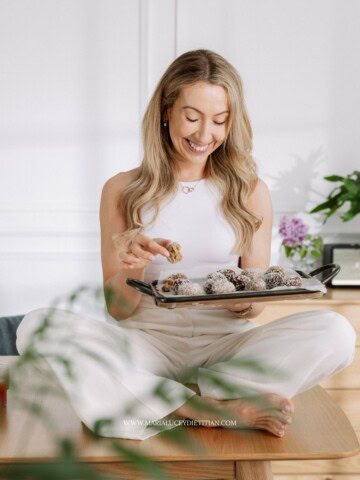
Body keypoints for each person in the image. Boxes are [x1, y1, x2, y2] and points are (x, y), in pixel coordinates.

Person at [16, 49, 356, 441]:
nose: (203, 134)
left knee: (337, 331)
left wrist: (239, 295)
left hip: (228, 349)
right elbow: (118, 310)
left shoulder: (250, 192)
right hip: (145, 344)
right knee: (37, 327)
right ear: (166, 110)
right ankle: (203, 409)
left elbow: (254, 305)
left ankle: (172, 399)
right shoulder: (123, 190)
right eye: (192, 117)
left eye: (219, 121)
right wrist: (134, 264)